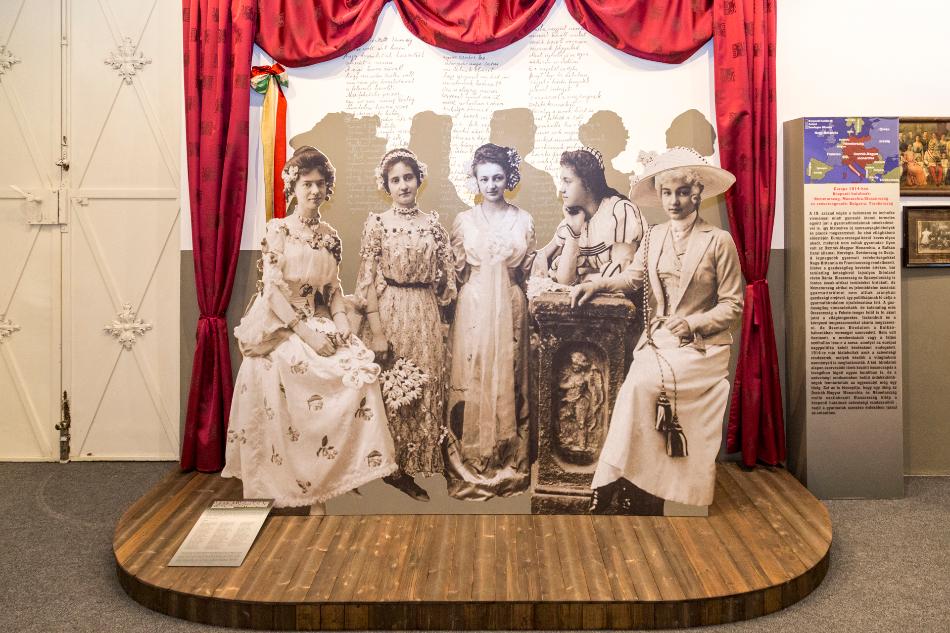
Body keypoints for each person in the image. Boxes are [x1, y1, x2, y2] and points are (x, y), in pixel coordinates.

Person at [223, 146, 399, 512]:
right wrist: (307, 335)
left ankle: (329, 477)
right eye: (307, 184)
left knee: (358, 372)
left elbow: (332, 289)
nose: (315, 191)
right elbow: (272, 292)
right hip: (281, 323)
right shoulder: (279, 230)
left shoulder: (330, 235)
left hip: (317, 317)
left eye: (320, 184)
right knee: (291, 369)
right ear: (294, 187)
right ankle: (291, 483)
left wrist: (341, 325)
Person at [570, 147, 743, 513]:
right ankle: (625, 479)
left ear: (697, 194)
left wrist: (693, 322)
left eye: (682, 192)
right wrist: (597, 285)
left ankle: (614, 478)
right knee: (635, 387)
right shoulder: (654, 236)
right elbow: (632, 278)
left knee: (639, 386)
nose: (674, 201)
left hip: (703, 348)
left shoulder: (718, 241)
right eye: (667, 193)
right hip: (660, 341)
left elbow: (733, 305)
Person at [354, 148, 456, 502]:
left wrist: (442, 310)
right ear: (386, 185)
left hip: (424, 312)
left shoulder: (433, 226)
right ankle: (393, 468)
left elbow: (446, 281)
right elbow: (367, 282)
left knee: (425, 383)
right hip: (390, 310)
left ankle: (423, 459)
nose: (403, 185)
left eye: (408, 178)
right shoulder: (378, 224)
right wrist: (377, 332)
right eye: (395, 180)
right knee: (393, 386)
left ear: (418, 180)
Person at [446, 143, 536, 500]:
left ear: (508, 177)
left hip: (510, 305)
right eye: (484, 179)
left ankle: (507, 459)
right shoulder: (464, 221)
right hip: (474, 304)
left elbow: (528, 270)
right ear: (475, 180)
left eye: (498, 177)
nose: (492, 185)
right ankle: (471, 460)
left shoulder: (523, 219)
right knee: (473, 374)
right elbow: (455, 272)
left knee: (509, 375)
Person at [537, 147, 648, 284]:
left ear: (588, 183)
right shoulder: (572, 220)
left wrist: (583, 278)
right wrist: (574, 234)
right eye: (562, 181)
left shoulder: (619, 211)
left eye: (567, 181)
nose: (561, 189)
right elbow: (564, 281)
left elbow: (621, 277)